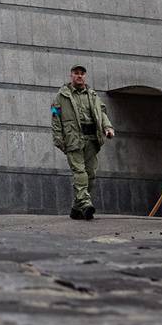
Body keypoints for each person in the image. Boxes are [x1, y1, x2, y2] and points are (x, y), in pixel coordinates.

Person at [51, 65, 114, 220]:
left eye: (82, 74)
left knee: (91, 174)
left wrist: (107, 127)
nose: (79, 76)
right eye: (76, 73)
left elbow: (102, 112)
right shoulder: (61, 96)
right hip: (73, 140)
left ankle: (76, 208)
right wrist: (59, 140)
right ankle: (85, 204)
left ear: (85, 76)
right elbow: (55, 119)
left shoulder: (92, 95)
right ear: (71, 75)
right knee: (80, 173)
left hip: (92, 139)